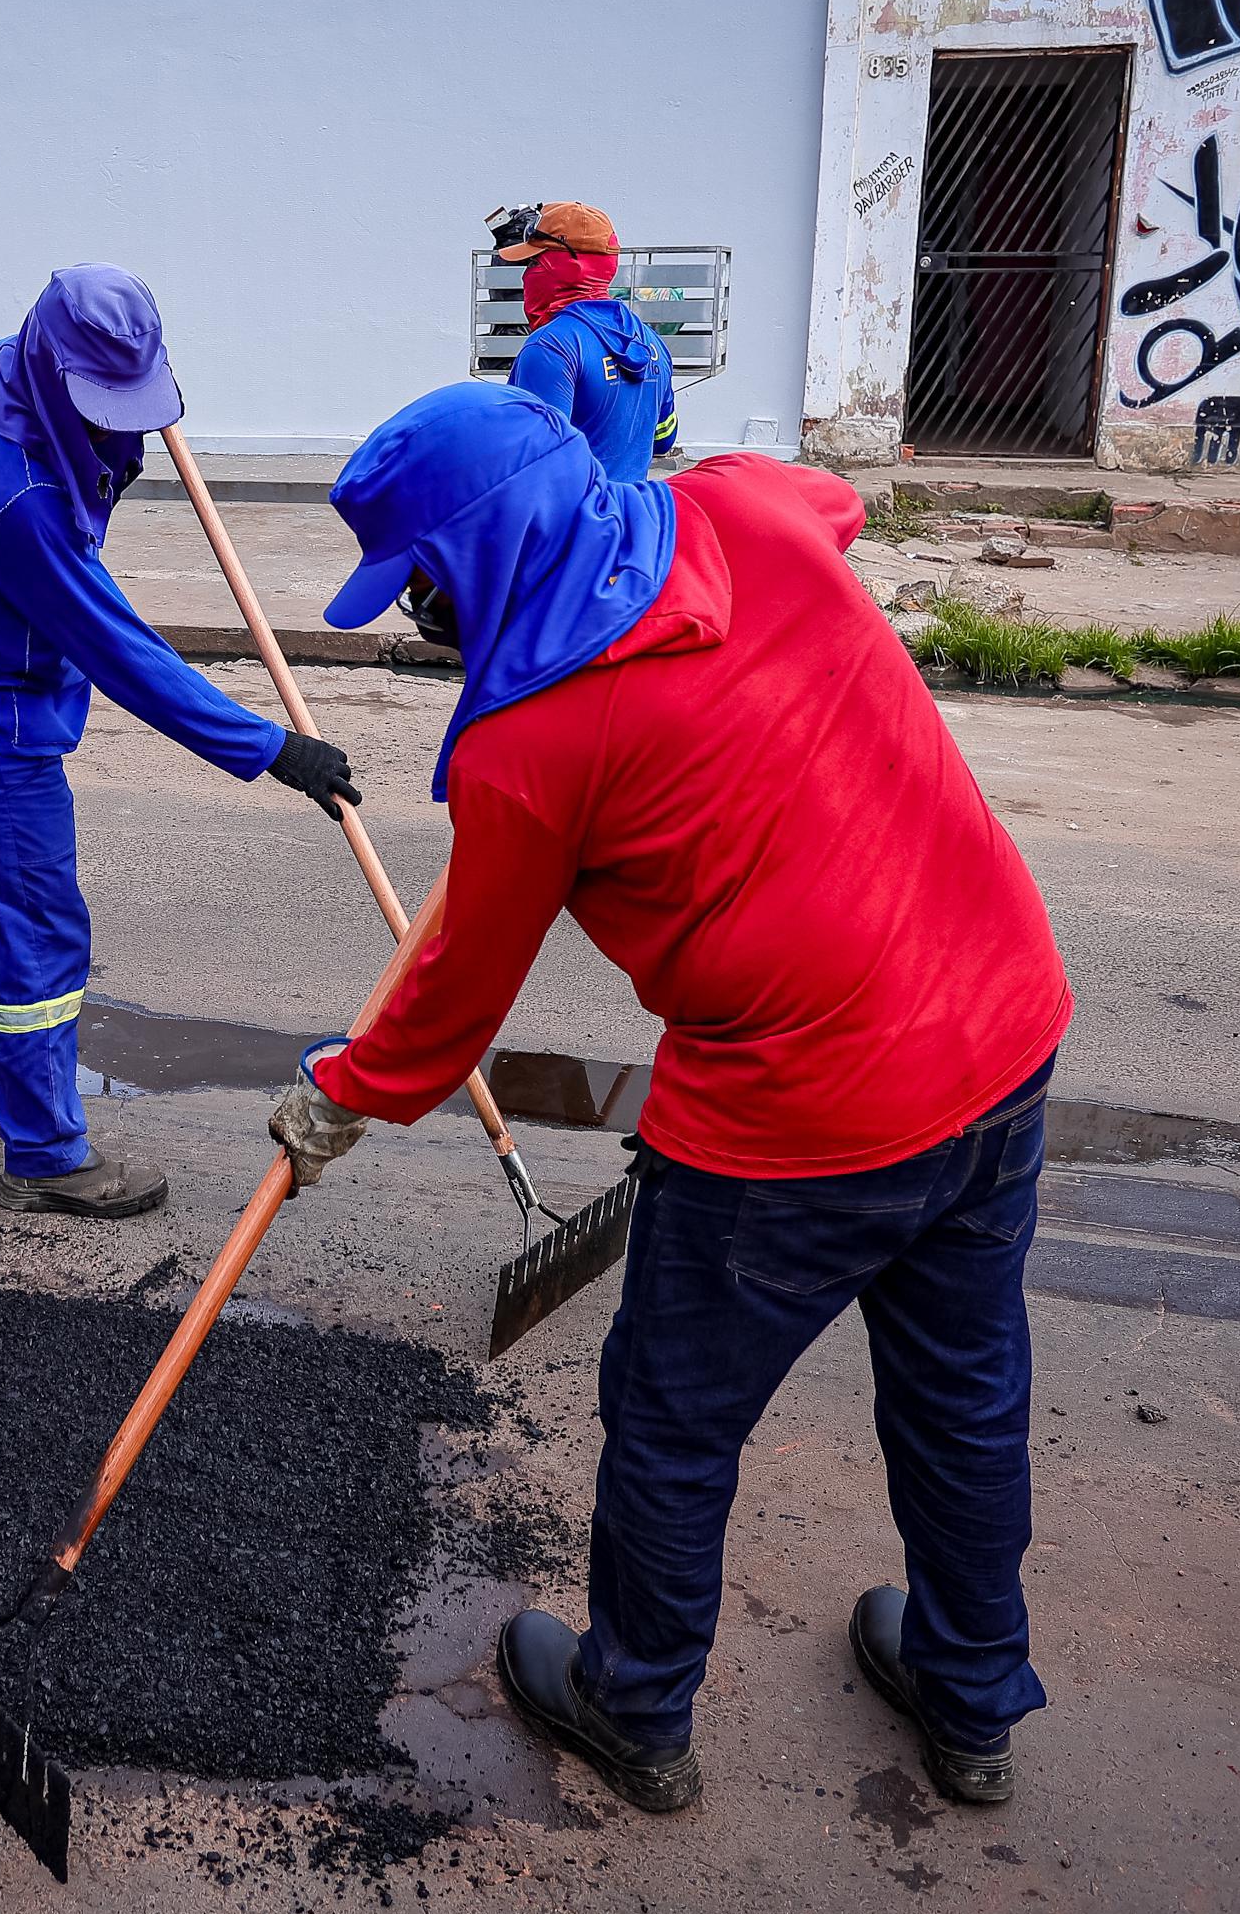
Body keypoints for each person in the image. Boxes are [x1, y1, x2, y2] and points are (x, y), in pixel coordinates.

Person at [268, 383, 1072, 1811]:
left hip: (798, 1121)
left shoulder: (527, 753)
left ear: (486, 557)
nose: (422, 624)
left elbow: (452, 999)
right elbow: (829, 501)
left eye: (426, 589)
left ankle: (633, 1707)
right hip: (999, 1029)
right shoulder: (745, 511)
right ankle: (969, 1695)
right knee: (964, 1398)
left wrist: (343, 1095)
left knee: (671, 1417)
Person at [0, 264, 359, 1218]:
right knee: (36, 936)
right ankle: (46, 1154)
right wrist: (269, 749)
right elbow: (124, 654)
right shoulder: (21, 505)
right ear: (53, 369)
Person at [495, 201, 677, 481]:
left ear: (564, 266)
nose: (526, 274)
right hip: (627, 517)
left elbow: (531, 461)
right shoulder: (651, 342)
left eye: (533, 262)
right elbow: (663, 438)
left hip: (566, 522)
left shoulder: (551, 347)